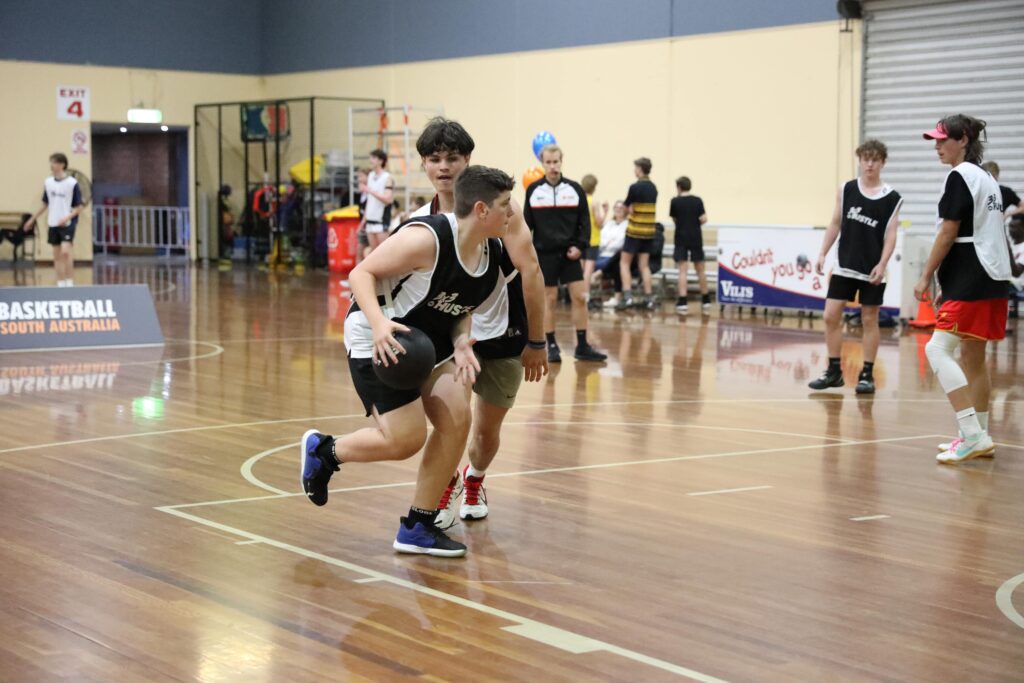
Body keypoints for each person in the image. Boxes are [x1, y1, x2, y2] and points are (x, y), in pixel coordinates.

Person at [299, 165, 513, 557]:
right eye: (505, 205)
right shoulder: (426, 239)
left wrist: (461, 341)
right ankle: (324, 452)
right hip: (379, 335)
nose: (511, 213)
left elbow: (461, 306)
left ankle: (418, 526)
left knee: (457, 419)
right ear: (481, 210)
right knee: (405, 440)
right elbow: (361, 273)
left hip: (431, 340)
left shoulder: (491, 252)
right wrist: (380, 324)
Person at [408, 118, 548, 529]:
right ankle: (444, 485)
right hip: (450, 334)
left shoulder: (502, 210)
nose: (444, 167)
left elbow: (531, 271)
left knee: (485, 434)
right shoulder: (420, 221)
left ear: (468, 160)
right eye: (435, 158)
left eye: (453, 158)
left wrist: (538, 341)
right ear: (424, 164)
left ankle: (475, 478)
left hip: (503, 329)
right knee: (451, 423)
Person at [914, 115, 1021, 464]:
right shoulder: (986, 177)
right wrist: (949, 282)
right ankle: (979, 436)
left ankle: (973, 434)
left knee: (936, 350)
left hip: (973, 276)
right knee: (973, 358)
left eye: (942, 139)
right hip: (991, 276)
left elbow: (949, 232)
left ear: (963, 140)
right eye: (935, 140)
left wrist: (926, 275)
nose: (937, 146)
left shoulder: (960, 176)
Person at [809, 139, 903, 395]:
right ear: (860, 161)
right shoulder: (847, 189)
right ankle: (834, 371)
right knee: (830, 316)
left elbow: (891, 235)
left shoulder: (892, 197)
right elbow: (835, 223)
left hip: (873, 268)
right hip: (844, 265)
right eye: (865, 159)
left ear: (883, 162)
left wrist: (882, 264)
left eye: (875, 159)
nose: (870, 164)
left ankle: (867, 374)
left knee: (869, 319)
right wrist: (822, 253)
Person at [523, 145, 607, 363]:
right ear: (542, 163)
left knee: (580, 297)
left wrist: (580, 246)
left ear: (561, 161)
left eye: (556, 162)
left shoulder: (575, 189)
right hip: (544, 255)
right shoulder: (533, 191)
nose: (553, 166)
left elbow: (585, 223)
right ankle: (551, 346)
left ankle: (582, 345)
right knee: (549, 300)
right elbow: (526, 226)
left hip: (570, 255)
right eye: (548, 162)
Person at [24, 153, 84, 286]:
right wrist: (32, 219)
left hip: (67, 223)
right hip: (53, 222)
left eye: (54, 162)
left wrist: (67, 217)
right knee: (57, 256)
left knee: (65, 252)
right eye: (51, 162)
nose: (51, 165)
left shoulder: (72, 183)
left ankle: (69, 282)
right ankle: (60, 283)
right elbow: (45, 204)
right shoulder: (48, 182)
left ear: (62, 165)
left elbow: (79, 207)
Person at [618, 157, 658, 311]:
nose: (634, 170)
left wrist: (629, 210)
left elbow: (625, 209)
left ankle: (628, 297)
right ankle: (649, 299)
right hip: (648, 232)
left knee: (624, 263)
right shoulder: (653, 188)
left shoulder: (634, 187)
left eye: (635, 168)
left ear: (640, 169)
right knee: (644, 266)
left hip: (635, 231)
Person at [669, 176, 710, 315]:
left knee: (682, 270)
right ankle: (706, 299)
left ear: (679, 187)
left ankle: (683, 301)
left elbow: (674, 219)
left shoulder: (675, 201)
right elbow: (704, 219)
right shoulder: (697, 200)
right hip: (695, 237)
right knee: (700, 269)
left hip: (681, 237)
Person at [580, 174, 608, 309]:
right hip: (593, 240)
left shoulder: (579, 201)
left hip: (581, 239)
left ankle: (578, 295)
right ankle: (586, 297)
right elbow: (599, 222)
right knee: (588, 271)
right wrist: (606, 212)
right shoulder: (594, 202)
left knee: (580, 270)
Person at [595, 201, 629, 308]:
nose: (618, 209)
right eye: (616, 207)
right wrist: (608, 243)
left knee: (616, 264)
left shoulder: (627, 225)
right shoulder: (609, 223)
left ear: (626, 210)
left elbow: (620, 243)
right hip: (602, 253)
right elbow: (601, 239)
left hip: (615, 256)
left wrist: (609, 243)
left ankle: (599, 274)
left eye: (621, 207)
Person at [361, 149, 394, 252]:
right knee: (374, 253)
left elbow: (388, 199)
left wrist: (370, 191)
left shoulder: (387, 177)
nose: (370, 160)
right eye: (371, 157)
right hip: (370, 221)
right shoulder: (371, 175)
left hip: (381, 222)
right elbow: (369, 202)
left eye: (374, 158)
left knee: (384, 253)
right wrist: (363, 221)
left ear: (381, 161)